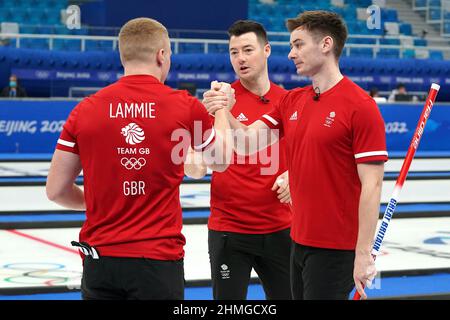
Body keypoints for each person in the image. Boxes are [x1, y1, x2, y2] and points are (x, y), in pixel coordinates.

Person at [204, 10, 387, 300]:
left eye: (298, 44)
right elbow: (247, 143)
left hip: (335, 248)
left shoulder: (360, 106)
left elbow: (373, 185)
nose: (291, 54)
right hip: (297, 242)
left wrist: (363, 253)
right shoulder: (293, 100)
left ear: (326, 45)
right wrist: (224, 108)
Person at [46, 17, 232, 300]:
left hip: (100, 259)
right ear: (161, 55)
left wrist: (97, 201)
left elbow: (56, 190)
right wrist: (220, 109)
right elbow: (220, 161)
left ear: (123, 55)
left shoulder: (85, 110)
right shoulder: (184, 106)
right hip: (156, 260)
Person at [185, 20, 292, 300]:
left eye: (247, 50)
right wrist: (194, 160)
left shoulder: (288, 102)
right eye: (234, 52)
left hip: (281, 228)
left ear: (266, 50)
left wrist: (295, 176)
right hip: (229, 232)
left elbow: (307, 156)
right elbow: (195, 165)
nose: (240, 58)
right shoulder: (215, 103)